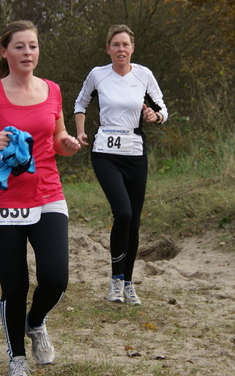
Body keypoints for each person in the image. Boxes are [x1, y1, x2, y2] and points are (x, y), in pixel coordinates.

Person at [0, 20, 81, 376]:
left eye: (33, 46)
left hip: (47, 195)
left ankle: (35, 322)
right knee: (15, 284)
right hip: (2, 203)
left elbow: (57, 139)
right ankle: (17, 359)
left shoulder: (52, 90)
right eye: (20, 47)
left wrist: (65, 145)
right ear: (4, 52)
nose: (27, 53)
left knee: (56, 278)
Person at [74, 24, 168, 306]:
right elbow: (80, 104)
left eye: (125, 44)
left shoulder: (144, 75)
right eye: (115, 45)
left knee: (135, 222)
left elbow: (163, 109)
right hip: (105, 153)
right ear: (108, 49)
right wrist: (80, 132)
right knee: (123, 213)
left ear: (132, 49)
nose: (121, 49)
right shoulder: (97, 75)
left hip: (135, 153)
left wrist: (155, 116)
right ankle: (115, 280)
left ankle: (128, 283)